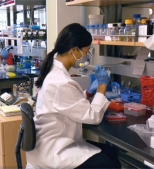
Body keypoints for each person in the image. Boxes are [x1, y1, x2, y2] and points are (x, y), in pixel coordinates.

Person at [26, 23, 121, 169]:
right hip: (55, 152)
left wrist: (89, 92)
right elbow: (93, 117)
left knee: (110, 152)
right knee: (111, 163)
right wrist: (102, 85)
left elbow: (67, 103)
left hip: (49, 144)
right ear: (74, 50)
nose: (86, 57)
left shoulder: (54, 72)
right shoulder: (61, 82)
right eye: (87, 51)